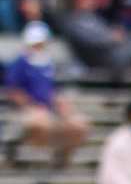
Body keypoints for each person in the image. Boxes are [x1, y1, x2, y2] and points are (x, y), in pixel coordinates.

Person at [3, 23, 88, 162]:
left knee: (78, 125)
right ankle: (23, 151)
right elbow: (12, 90)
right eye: (36, 43)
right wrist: (31, 106)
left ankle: (61, 154)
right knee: (41, 122)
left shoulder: (48, 63)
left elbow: (53, 90)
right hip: (25, 111)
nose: (39, 46)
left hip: (48, 111)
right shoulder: (20, 63)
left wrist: (62, 106)